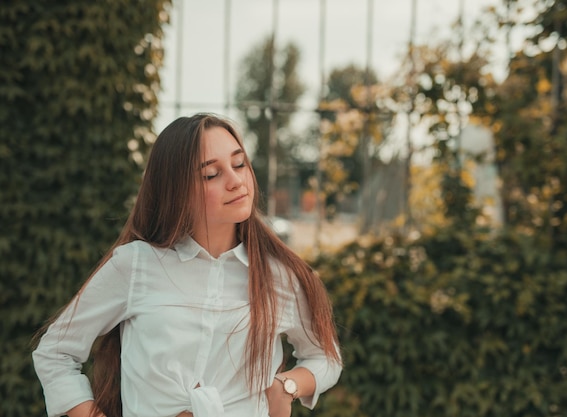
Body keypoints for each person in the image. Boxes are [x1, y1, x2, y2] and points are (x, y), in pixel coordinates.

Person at [32, 113, 342, 417]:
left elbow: (325, 358)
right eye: (211, 174)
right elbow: (56, 353)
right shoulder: (137, 265)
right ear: (177, 189)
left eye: (239, 164)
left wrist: (286, 385)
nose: (236, 181)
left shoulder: (278, 276)